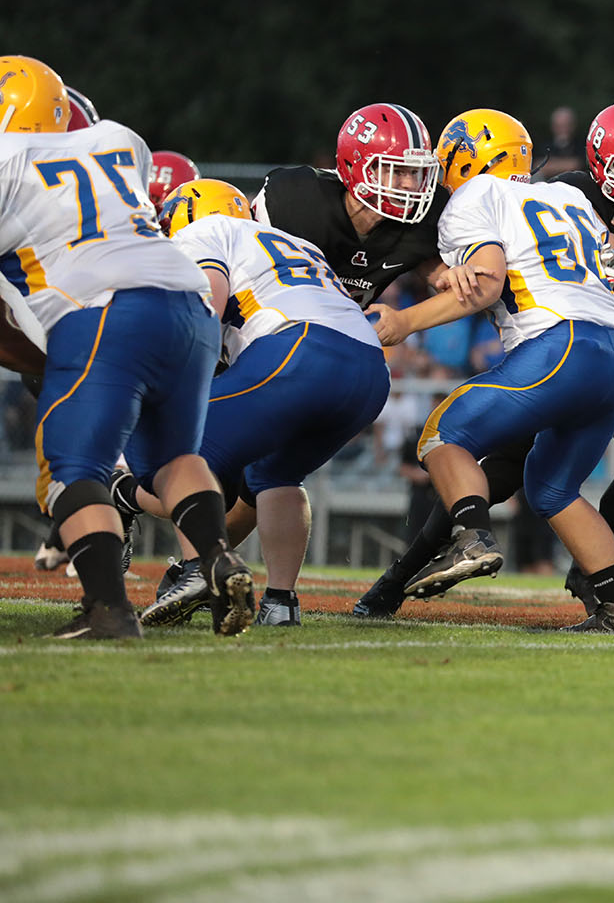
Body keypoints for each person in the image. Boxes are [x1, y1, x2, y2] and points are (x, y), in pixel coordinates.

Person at [352, 101, 614, 622]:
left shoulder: (474, 194)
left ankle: (472, 537)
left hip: (558, 343)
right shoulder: (565, 195)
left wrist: (405, 323)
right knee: (553, 488)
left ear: (462, 161)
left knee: (441, 435)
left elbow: (486, 283)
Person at [0, 54, 251, 638]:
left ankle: (110, 610)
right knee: (174, 461)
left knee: (72, 471)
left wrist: (43, 359)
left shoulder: (7, 164)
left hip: (105, 310)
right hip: (189, 307)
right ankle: (216, 557)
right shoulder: (118, 141)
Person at [117, 179, 390, 627]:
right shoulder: (292, 242)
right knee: (276, 474)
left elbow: (207, 303)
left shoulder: (202, 233)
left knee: (179, 450)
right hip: (369, 369)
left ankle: (195, 569)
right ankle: (281, 603)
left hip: (299, 348)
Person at [251, 102, 449, 307]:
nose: (409, 184)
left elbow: (447, 281)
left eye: (415, 172)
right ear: (353, 166)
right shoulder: (298, 200)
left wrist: (406, 322)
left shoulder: (425, 218)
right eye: (397, 171)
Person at [536, 105, 582, 179]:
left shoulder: (580, 145)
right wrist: (565, 164)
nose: (562, 129)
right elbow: (538, 166)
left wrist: (551, 165)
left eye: (566, 125)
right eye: (559, 126)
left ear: (573, 126)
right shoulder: (545, 145)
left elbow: (576, 164)